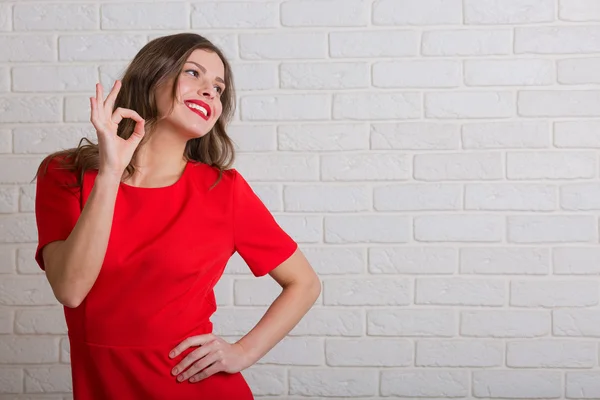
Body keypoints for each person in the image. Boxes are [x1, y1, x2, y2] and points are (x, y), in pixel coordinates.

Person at [33, 33, 321, 399]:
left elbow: (304, 283)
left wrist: (243, 352)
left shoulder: (224, 190)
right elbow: (70, 290)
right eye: (193, 73)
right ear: (152, 77)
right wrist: (110, 172)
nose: (209, 92)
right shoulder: (65, 174)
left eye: (219, 88)